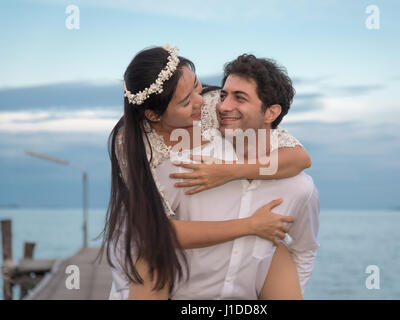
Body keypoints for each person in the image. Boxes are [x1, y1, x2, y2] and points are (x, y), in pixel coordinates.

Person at [101, 45, 314, 299]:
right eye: (185, 101)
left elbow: (299, 157)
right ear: (154, 114)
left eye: (196, 85)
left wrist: (229, 171)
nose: (200, 101)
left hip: (199, 243)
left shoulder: (216, 105)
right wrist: (249, 225)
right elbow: (160, 234)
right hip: (147, 243)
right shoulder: (132, 144)